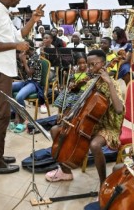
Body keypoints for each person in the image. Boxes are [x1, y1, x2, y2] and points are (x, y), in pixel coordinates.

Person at [0, 0, 45, 175]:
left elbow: (19, 36)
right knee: (2, 115)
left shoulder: (4, 13)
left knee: (0, 114)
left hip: (2, 70)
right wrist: (15, 47)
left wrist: (33, 20)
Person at [45, 50, 123, 185]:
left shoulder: (113, 84)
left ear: (104, 64)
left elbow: (119, 109)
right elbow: (82, 105)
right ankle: (65, 171)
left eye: (94, 64)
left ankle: (103, 183)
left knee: (95, 145)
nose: (90, 68)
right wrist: (68, 115)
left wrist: (109, 83)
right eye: (89, 65)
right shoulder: (89, 82)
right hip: (90, 123)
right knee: (55, 130)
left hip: (108, 126)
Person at [12, 40, 43, 131]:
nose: (22, 47)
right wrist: (21, 61)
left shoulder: (36, 58)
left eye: (24, 45)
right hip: (26, 81)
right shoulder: (28, 56)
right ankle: (15, 113)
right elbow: (23, 74)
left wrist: (24, 61)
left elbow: (29, 73)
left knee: (19, 97)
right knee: (7, 88)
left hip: (34, 83)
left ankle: (23, 117)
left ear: (29, 47)